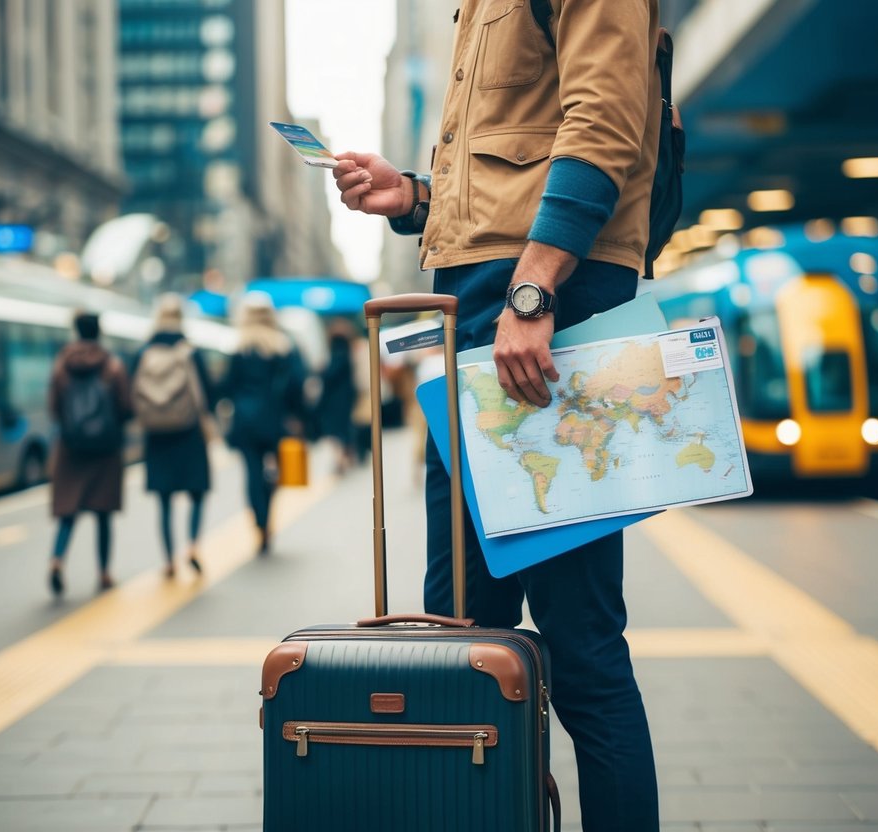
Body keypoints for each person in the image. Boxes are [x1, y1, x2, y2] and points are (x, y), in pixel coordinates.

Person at [331, 2, 663, 829]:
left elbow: (605, 119)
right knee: (461, 634)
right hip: (477, 323)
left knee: (581, 652)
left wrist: (532, 288)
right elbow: (507, 165)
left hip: (535, 318)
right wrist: (410, 195)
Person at [47, 312, 131, 597]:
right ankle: (104, 572)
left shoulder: (62, 365)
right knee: (103, 513)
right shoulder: (112, 365)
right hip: (106, 450)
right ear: (99, 332)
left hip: (71, 448)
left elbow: (54, 407)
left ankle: (57, 560)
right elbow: (125, 406)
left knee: (68, 513)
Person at [132, 295, 215, 578]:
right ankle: (192, 545)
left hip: (157, 435)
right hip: (189, 433)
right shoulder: (190, 352)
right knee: (197, 493)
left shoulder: (143, 352)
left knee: (164, 501)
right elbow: (209, 393)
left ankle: (168, 560)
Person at [222, 295, 305, 556]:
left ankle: (260, 525)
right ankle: (267, 519)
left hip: (246, 420)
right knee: (275, 472)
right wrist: (298, 415)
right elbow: (296, 384)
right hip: (275, 418)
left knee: (252, 473)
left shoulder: (239, 348)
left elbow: (227, 386)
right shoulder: (283, 346)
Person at [315, 319, 357, 473]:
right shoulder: (347, 352)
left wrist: (321, 371)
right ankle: (346, 456)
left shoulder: (338, 353)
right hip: (345, 397)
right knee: (344, 428)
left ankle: (341, 459)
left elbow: (330, 375)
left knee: (336, 430)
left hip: (334, 399)